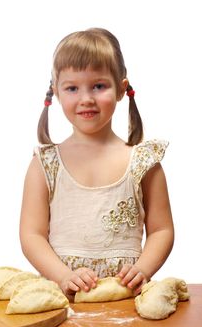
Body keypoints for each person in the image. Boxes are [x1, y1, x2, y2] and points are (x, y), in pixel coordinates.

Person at [19, 28, 174, 300]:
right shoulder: (44, 164)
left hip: (126, 297)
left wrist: (143, 269)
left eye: (98, 86)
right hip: (62, 298)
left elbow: (162, 229)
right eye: (72, 88)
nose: (86, 98)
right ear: (56, 92)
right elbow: (32, 235)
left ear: (121, 90)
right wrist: (63, 275)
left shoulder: (143, 162)